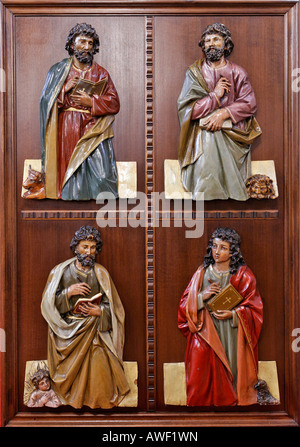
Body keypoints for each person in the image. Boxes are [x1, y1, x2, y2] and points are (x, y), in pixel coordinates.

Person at [41, 226, 130, 409]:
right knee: (71, 373)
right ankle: (72, 399)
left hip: (96, 333)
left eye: (92, 247)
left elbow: (116, 309)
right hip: (68, 332)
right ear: (75, 248)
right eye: (84, 247)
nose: (88, 252)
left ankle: (97, 402)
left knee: (100, 371)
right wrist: (67, 293)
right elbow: (48, 305)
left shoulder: (101, 273)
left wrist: (99, 311)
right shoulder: (61, 272)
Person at [178, 227, 263, 406]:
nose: (217, 252)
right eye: (214, 246)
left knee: (231, 368)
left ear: (233, 252)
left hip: (232, 334)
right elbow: (184, 307)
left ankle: (232, 400)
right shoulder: (203, 273)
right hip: (207, 332)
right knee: (202, 370)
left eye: (223, 248)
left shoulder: (244, 276)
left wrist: (233, 315)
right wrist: (202, 296)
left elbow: (254, 310)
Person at [177, 23, 262, 201]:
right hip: (203, 134)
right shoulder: (195, 73)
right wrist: (214, 96)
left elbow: (249, 103)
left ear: (226, 44)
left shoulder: (237, 72)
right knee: (209, 134)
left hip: (233, 134)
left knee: (212, 133)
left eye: (216, 39)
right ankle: (208, 190)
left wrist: (222, 114)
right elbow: (189, 110)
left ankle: (217, 189)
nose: (211, 44)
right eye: (207, 41)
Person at [40, 23, 120, 200]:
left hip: (93, 127)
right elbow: (46, 102)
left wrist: (91, 102)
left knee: (102, 173)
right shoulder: (59, 70)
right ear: (71, 45)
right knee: (70, 165)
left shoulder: (101, 73)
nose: (87, 47)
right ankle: (71, 195)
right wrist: (63, 89)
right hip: (67, 125)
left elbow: (114, 103)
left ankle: (95, 194)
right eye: (82, 42)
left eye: (90, 43)